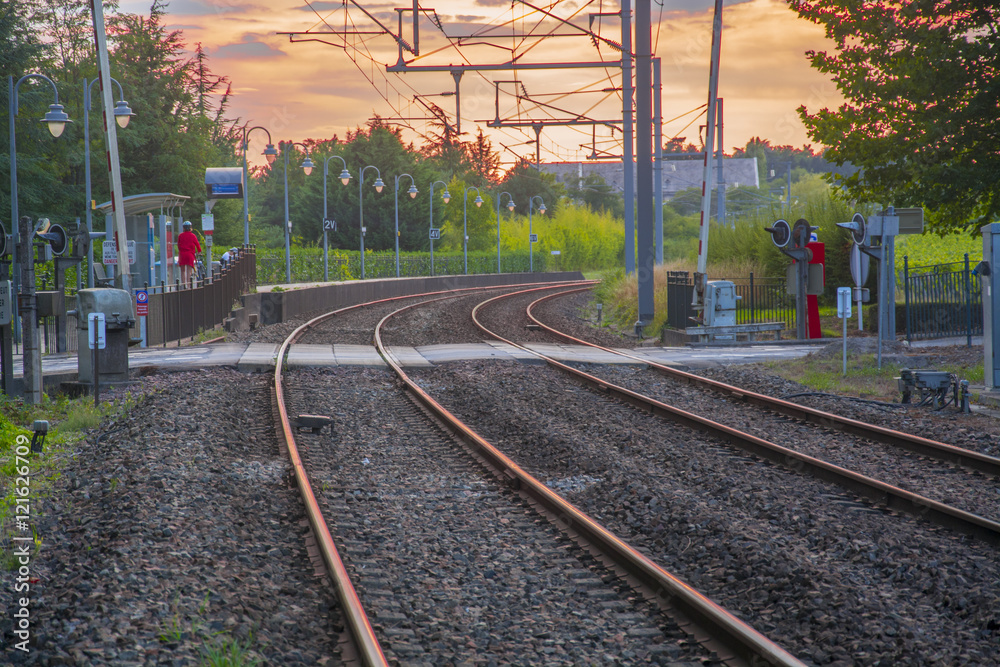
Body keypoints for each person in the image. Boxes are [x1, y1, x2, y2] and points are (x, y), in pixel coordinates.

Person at [177, 221, 201, 287]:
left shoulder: (180, 235)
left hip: (182, 254)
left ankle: (183, 285)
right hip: (190, 254)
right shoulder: (193, 236)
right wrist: (198, 252)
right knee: (189, 270)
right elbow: (197, 245)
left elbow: (178, 245)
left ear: (184, 228)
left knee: (182, 271)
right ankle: (188, 285)